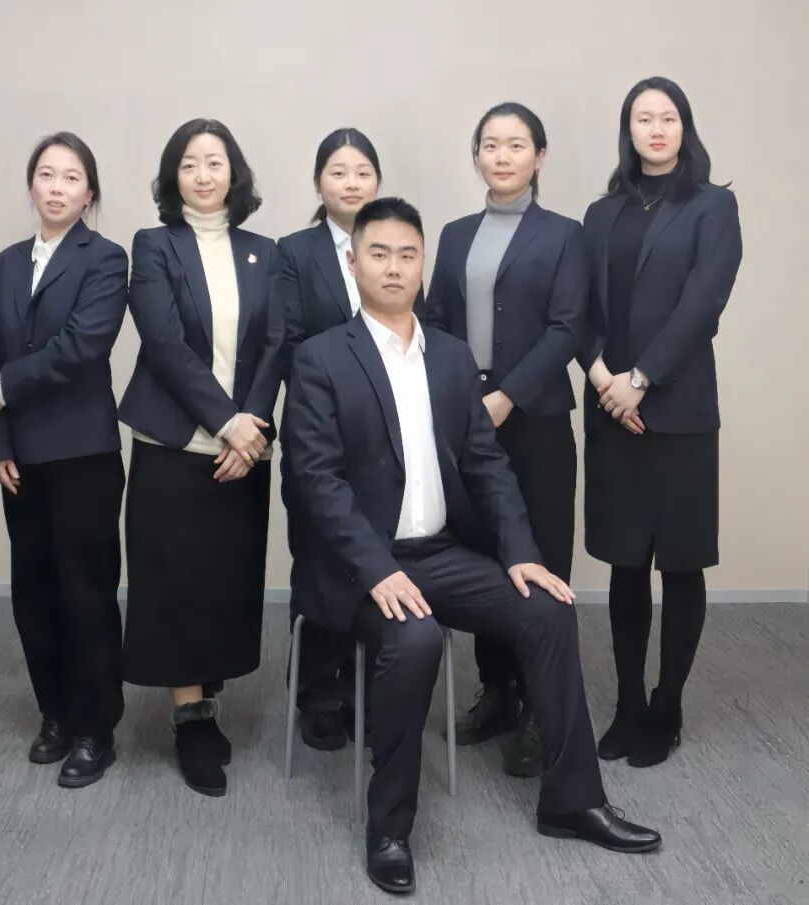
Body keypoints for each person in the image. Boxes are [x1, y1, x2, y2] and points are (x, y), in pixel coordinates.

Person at [284, 197, 660, 895]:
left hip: (438, 553)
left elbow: (487, 467)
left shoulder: (451, 359)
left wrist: (521, 553)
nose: (393, 268)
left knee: (548, 610)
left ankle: (572, 800)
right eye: (378, 254)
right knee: (416, 639)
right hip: (361, 566)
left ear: (422, 263)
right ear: (353, 262)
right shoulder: (319, 359)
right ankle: (389, 827)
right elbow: (316, 482)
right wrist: (376, 570)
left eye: (407, 254)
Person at [118, 118, 284, 797]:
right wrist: (226, 422)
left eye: (215, 162)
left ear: (234, 173)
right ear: (173, 177)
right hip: (175, 443)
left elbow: (277, 343)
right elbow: (163, 343)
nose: (204, 175)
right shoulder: (154, 245)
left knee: (225, 582)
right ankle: (188, 717)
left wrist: (254, 426)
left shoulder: (265, 251)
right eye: (189, 164)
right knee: (176, 584)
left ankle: (208, 703)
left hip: (246, 445)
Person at [580, 76, 743, 767]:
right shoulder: (601, 212)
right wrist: (605, 382)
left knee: (679, 564)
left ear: (685, 127)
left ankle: (667, 704)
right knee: (624, 565)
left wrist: (640, 380)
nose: (655, 128)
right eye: (643, 118)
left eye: (667, 117)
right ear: (628, 129)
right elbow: (579, 307)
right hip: (611, 408)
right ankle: (626, 704)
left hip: (677, 411)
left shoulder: (712, 205)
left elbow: (703, 304)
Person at [425, 102, 587, 777]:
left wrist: (507, 395)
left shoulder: (565, 235)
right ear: (477, 156)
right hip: (469, 421)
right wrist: (459, 396)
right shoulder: (456, 234)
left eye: (516, 145)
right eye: (490, 144)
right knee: (485, 554)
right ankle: (498, 692)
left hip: (537, 419)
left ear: (539, 156)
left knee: (541, 558)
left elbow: (567, 327)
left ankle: (542, 712)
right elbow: (436, 318)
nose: (501, 155)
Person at [0, 132, 128, 788]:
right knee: (32, 593)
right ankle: (56, 713)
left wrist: (6, 387)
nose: (57, 186)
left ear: (89, 193)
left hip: (83, 452)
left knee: (86, 593)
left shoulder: (106, 259)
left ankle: (96, 728)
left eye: (71, 177)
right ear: (31, 185)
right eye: (46, 174)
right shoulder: (6, 263)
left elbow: (83, 344)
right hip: (20, 459)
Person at [279, 128, 383, 751]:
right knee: (319, 562)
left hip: (384, 437)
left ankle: (367, 688)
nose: (351, 183)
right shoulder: (294, 251)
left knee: (375, 559)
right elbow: (289, 342)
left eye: (363, 171)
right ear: (319, 183)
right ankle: (318, 692)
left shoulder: (392, 244)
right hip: (317, 434)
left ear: (378, 181)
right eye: (338, 172)